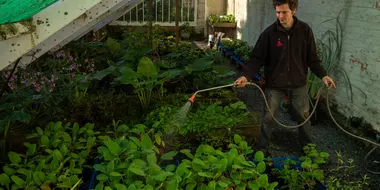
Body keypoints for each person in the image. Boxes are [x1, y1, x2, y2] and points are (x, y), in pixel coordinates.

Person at [234, 0, 336, 155]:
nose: (280, 16)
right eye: (277, 12)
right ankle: (262, 151)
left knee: (303, 118)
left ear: (294, 10)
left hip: (298, 84)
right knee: (268, 118)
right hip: (274, 85)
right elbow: (256, 59)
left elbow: (312, 58)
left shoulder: (304, 31)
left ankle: (309, 151)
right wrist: (245, 76)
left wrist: (323, 75)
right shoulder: (269, 34)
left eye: (284, 12)